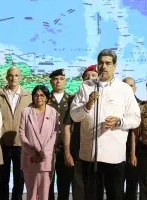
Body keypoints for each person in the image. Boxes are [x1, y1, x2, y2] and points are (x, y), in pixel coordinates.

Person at [70, 49, 141, 200]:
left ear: (114, 66)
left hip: (114, 157)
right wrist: (87, 104)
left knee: (115, 196)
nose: (104, 66)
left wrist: (119, 121)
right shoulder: (86, 86)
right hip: (90, 156)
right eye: (101, 63)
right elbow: (74, 116)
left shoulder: (124, 89)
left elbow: (136, 118)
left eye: (108, 63)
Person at [63, 65, 104, 200]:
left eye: (93, 76)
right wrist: (67, 152)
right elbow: (67, 127)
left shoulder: (105, 99)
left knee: (96, 185)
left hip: (98, 146)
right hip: (78, 146)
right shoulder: (73, 100)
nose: (89, 79)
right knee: (79, 185)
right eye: (86, 76)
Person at [0, 66, 32, 200]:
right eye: (10, 75)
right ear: (6, 77)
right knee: (3, 178)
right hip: (2, 144)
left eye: (16, 75)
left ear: (20, 77)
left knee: (19, 178)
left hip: (21, 144)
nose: (13, 78)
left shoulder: (28, 95)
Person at [19, 85, 58, 200]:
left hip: (45, 159)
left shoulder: (53, 112)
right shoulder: (26, 112)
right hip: (29, 158)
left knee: (44, 195)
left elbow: (54, 134)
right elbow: (22, 134)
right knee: (31, 194)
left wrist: (43, 153)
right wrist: (33, 153)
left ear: (46, 97)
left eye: (42, 95)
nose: (39, 98)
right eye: (36, 95)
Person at [48, 69, 74, 200]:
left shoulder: (72, 100)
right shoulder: (44, 99)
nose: (58, 81)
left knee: (64, 184)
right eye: (55, 79)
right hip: (47, 148)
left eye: (61, 79)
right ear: (51, 81)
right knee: (47, 185)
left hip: (65, 148)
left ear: (65, 81)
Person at [122, 77, 141, 200]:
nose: (128, 88)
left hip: (135, 150)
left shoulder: (141, 105)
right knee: (115, 184)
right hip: (116, 149)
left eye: (131, 86)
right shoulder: (115, 104)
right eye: (125, 85)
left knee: (132, 183)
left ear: (135, 88)